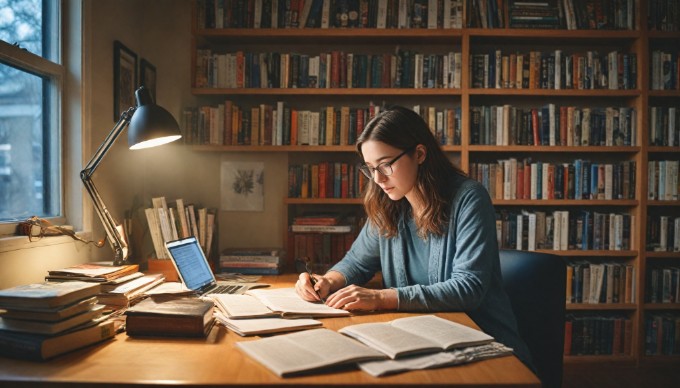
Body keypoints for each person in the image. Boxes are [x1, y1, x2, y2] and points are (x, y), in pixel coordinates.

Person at [295, 105, 533, 369]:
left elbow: (468, 288)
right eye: (370, 169)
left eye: (385, 165)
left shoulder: (469, 199)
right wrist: (327, 281)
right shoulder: (388, 203)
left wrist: (381, 298)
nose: (378, 179)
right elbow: (357, 263)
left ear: (419, 154)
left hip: (483, 346)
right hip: (421, 344)